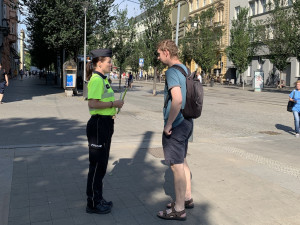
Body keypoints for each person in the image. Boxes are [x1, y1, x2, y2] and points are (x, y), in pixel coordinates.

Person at [156, 40, 193, 221]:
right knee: (183, 161)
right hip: (187, 121)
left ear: (166, 52)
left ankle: (178, 209)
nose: (158, 57)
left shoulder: (171, 71)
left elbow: (177, 99)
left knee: (176, 165)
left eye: (159, 53)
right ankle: (186, 198)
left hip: (177, 124)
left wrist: (168, 124)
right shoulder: (185, 69)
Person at [85, 49, 124, 214]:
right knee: (96, 165)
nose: (111, 64)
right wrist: (113, 105)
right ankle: (93, 203)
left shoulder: (103, 79)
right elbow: (92, 104)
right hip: (98, 126)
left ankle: (98, 198)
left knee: (101, 165)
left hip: (105, 124)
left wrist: (112, 111)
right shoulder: (96, 80)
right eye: (108, 61)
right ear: (99, 63)